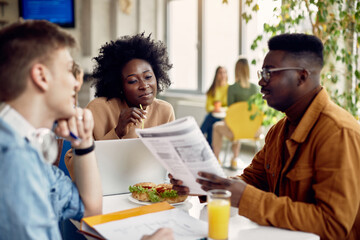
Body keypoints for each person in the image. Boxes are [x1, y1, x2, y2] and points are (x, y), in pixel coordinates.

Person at [170, 33, 360, 240]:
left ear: (302, 76)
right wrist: (205, 186)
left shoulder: (338, 133)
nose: (261, 81)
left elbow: (332, 225)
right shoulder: (278, 131)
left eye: (269, 73)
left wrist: (246, 198)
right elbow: (253, 180)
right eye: (262, 72)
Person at [0, 20, 103, 239]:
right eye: (68, 69)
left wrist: (83, 143)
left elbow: (90, 212)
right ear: (41, 76)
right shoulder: (13, 159)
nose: (76, 84)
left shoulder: (26, 146)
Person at [65, 33, 175, 179]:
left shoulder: (165, 111)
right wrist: (118, 131)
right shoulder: (97, 109)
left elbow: (173, 164)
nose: (144, 85)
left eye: (148, 77)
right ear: (120, 86)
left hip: (151, 191)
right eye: (132, 81)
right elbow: (74, 168)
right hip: (107, 194)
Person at [212, 58, 258, 169]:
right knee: (240, 125)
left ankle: (216, 160)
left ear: (236, 70)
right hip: (253, 130)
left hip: (236, 130)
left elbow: (231, 112)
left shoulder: (232, 88)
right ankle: (235, 159)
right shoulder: (255, 88)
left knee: (216, 126)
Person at [200, 66, 229, 147]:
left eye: (224, 72)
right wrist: (216, 109)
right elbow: (208, 107)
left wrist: (221, 109)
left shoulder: (229, 88)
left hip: (224, 117)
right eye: (220, 72)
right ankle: (208, 146)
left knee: (209, 122)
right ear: (216, 75)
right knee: (210, 122)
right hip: (213, 115)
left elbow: (230, 106)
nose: (222, 75)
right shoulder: (212, 89)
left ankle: (200, 136)